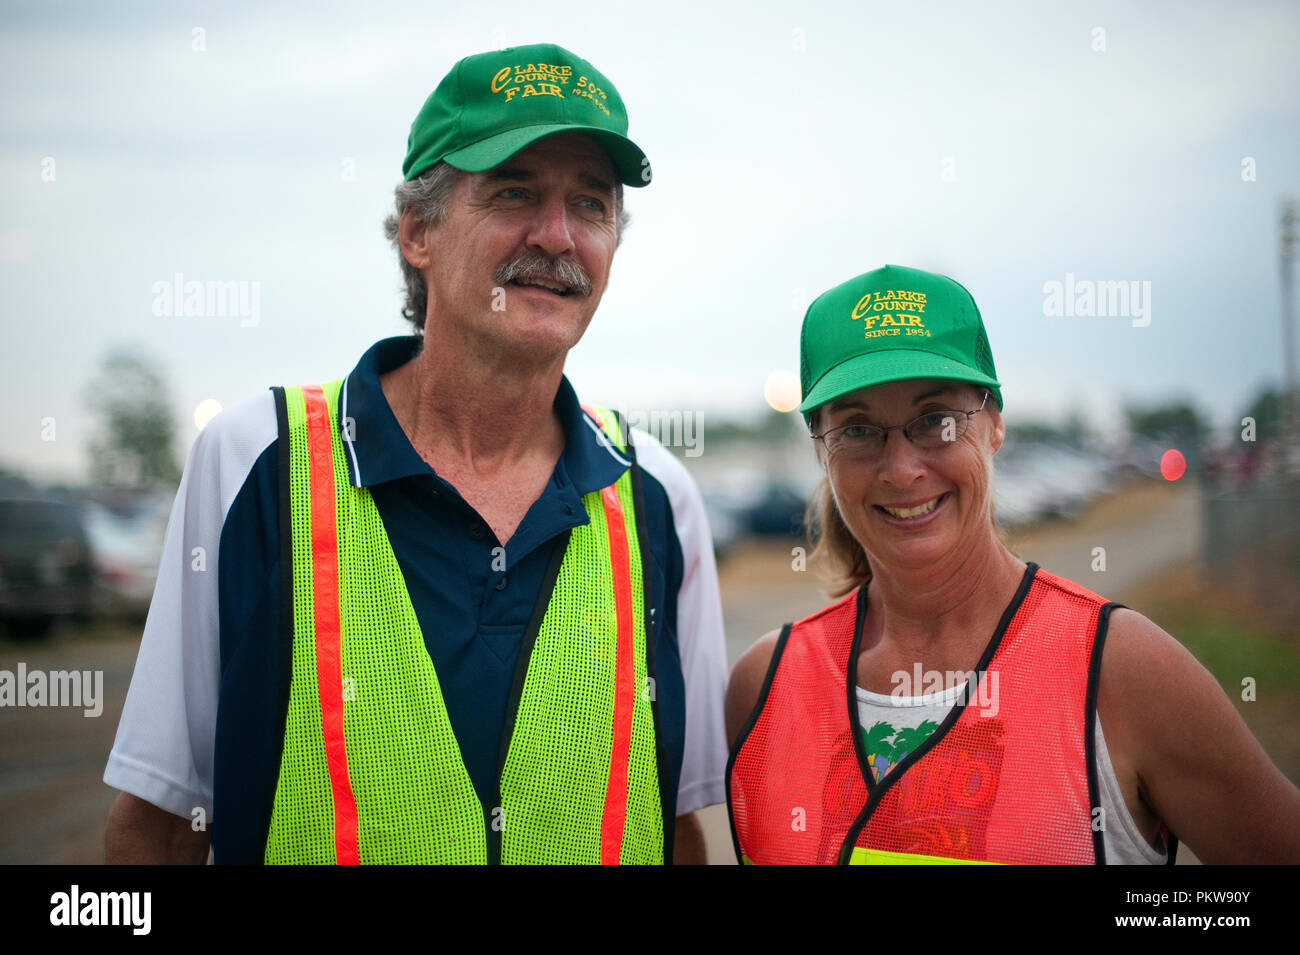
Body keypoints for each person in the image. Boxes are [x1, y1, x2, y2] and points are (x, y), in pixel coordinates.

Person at [103, 43, 728, 864]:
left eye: (591, 202)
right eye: (514, 192)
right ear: (417, 232)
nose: (558, 234)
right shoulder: (255, 462)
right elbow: (155, 826)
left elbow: (674, 828)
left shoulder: (658, 497)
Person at [726, 264, 1300, 864]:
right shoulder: (762, 691)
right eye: (859, 429)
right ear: (822, 449)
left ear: (995, 423)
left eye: (936, 420)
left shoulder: (1122, 672)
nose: (901, 469)